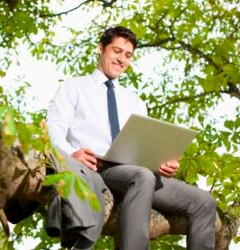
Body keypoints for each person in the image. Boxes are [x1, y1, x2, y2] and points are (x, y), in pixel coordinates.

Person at [47, 26, 216, 250]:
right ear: (101, 49)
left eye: (128, 55)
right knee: (142, 175)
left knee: (204, 202)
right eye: (116, 51)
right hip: (97, 167)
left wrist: (161, 163)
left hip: (136, 171)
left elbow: (144, 144)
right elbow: (54, 128)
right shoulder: (74, 87)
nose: (121, 59)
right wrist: (70, 154)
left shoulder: (134, 100)